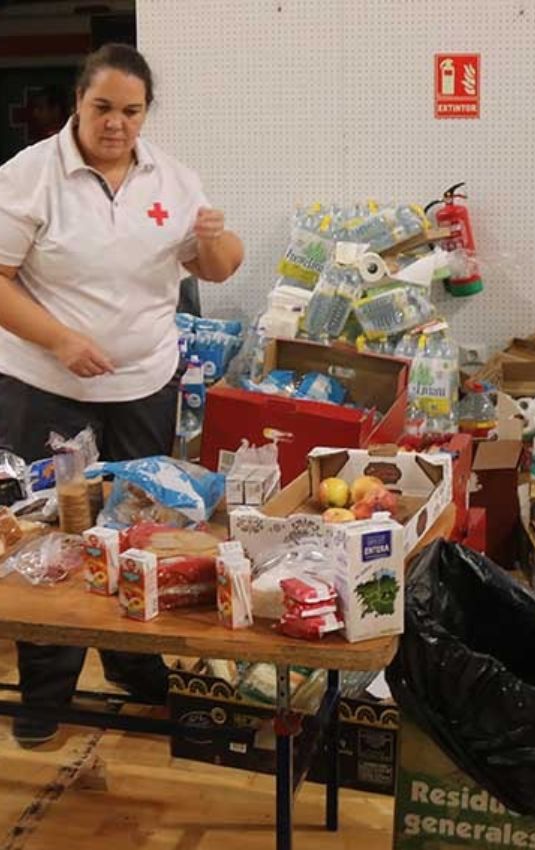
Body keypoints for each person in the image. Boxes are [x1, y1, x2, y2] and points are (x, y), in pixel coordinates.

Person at [0, 44, 244, 747]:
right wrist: (59, 342)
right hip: (47, 387)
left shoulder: (171, 176)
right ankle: (46, 690)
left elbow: (219, 267)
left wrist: (217, 235)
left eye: (130, 112)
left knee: (139, 525)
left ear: (145, 114)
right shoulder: (30, 177)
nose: (116, 124)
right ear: (79, 101)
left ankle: (134, 664)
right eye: (102, 107)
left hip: (143, 384)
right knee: (54, 531)